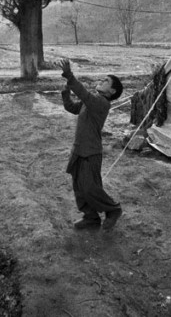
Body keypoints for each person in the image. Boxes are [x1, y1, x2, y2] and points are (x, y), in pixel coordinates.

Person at [58, 58, 124, 231]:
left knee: (90, 188)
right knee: (79, 187)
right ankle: (91, 217)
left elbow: (84, 95)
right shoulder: (92, 102)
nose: (101, 81)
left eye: (106, 81)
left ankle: (113, 209)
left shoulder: (102, 103)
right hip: (79, 149)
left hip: (90, 153)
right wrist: (66, 93)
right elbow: (72, 107)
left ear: (112, 91)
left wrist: (69, 76)